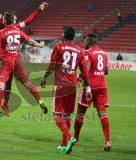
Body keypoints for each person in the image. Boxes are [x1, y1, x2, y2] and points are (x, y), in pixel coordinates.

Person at [0, 2, 49, 114]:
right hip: (2, 59)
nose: (17, 20)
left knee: (6, 83)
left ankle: (3, 106)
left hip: (6, 58)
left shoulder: (8, 29)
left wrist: (39, 10)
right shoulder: (2, 26)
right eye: (15, 18)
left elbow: (28, 20)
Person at [40, 26, 92, 154]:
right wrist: (88, 88)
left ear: (63, 35)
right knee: (67, 115)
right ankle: (64, 144)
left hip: (60, 85)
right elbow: (84, 72)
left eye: (61, 34)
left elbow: (52, 64)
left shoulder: (58, 47)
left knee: (57, 115)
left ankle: (70, 138)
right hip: (72, 86)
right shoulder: (80, 51)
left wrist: (44, 77)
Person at [74, 34, 111, 151]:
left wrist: (80, 77)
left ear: (89, 41)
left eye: (85, 40)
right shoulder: (103, 53)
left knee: (80, 113)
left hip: (90, 86)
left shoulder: (87, 52)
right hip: (102, 86)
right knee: (103, 114)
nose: (84, 42)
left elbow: (86, 69)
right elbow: (106, 71)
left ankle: (75, 139)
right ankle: (107, 141)